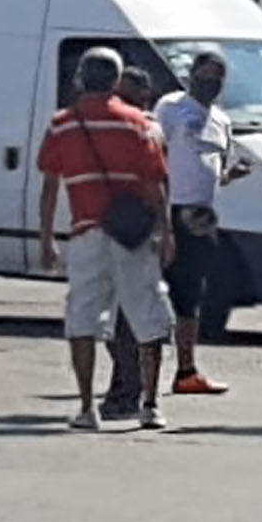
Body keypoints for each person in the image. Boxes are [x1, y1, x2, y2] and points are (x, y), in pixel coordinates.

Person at [37, 47, 174, 432]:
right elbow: (155, 184)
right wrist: (165, 232)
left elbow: (50, 187)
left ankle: (86, 407)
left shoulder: (62, 125)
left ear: (80, 78)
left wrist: (47, 238)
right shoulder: (138, 123)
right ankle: (150, 404)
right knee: (147, 314)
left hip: (86, 233)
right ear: (116, 82)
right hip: (133, 235)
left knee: (82, 315)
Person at [154, 51, 252, 396]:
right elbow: (155, 156)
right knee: (146, 292)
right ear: (191, 75)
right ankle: (132, 371)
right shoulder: (170, 108)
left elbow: (212, 171)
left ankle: (186, 370)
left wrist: (230, 176)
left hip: (201, 215)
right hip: (169, 211)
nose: (208, 85)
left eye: (216, 79)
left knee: (190, 296)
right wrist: (162, 216)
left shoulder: (222, 122)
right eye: (204, 76)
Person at [99, 65, 159, 420]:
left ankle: (130, 393)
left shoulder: (148, 128)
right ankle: (124, 387)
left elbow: (159, 182)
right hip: (108, 227)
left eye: (129, 94)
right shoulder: (110, 126)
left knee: (129, 321)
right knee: (110, 321)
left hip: (138, 231)